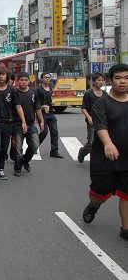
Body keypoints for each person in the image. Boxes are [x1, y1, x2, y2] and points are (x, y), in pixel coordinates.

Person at [82, 63, 128, 242]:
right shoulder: (102, 103)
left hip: (126, 157)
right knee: (99, 194)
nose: (122, 82)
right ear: (111, 80)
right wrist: (108, 143)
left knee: (126, 193)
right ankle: (93, 206)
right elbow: (100, 126)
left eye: (126, 78)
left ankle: (125, 229)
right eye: (118, 78)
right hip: (104, 158)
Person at [0, 67, 26, 186]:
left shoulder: (12, 91)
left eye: (3, 75)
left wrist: (23, 121)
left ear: (7, 77)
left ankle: (1, 169)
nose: (1, 77)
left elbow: (18, 106)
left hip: (8, 123)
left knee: (3, 148)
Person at [12, 72, 44, 176]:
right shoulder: (14, 93)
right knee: (18, 148)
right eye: (22, 80)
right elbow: (16, 107)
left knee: (34, 146)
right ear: (18, 81)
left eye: (26, 80)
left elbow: (37, 108)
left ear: (29, 81)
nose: (24, 82)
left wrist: (41, 121)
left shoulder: (33, 92)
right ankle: (17, 167)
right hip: (17, 124)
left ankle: (24, 161)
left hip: (31, 124)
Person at [78, 73, 107, 163]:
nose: (101, 82)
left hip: (103, 122)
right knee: (91, 143)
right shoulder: (88, 93)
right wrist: (89, 117)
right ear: (93, 82)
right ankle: (82, 152)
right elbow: (83, 108)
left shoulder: (105, 94)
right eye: (98, 80)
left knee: (102, 142)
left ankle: (98, 160)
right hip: (92, 122)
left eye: (102, 80)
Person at [37, 72, 64, 158]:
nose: (47, 79)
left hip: (51, 113)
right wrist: (41, 106)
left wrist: (52, 103)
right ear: (41, 79)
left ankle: (54, 151)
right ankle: (34, 146)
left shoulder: (50, 89)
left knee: (55, 132)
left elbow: (50, 100)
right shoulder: (38, 90)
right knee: (44, 132)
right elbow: (34, 103)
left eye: (49, 77)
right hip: (42, 114)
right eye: (45, 77)